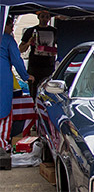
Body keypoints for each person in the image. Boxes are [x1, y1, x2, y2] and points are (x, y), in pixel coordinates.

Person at [1, 16, 32, 154]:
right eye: (10, 25)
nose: (12, 28)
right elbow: (17, 59)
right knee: (4, 110)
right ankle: (2, 145)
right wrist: (26, 76)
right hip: (2, 79)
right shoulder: (7, 40)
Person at [19, 10, 57, 96]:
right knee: (33, 92)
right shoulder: (30, 31)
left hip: (48, 67)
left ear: (49, 18)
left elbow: (59, 48)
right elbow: (21, 49)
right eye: (42, 16)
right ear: (38, 17)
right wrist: (29, 43)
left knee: (47, 94)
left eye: (47, 17)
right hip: (34, 67)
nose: (44, 19)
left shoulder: (54, 31)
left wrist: (53, 51)